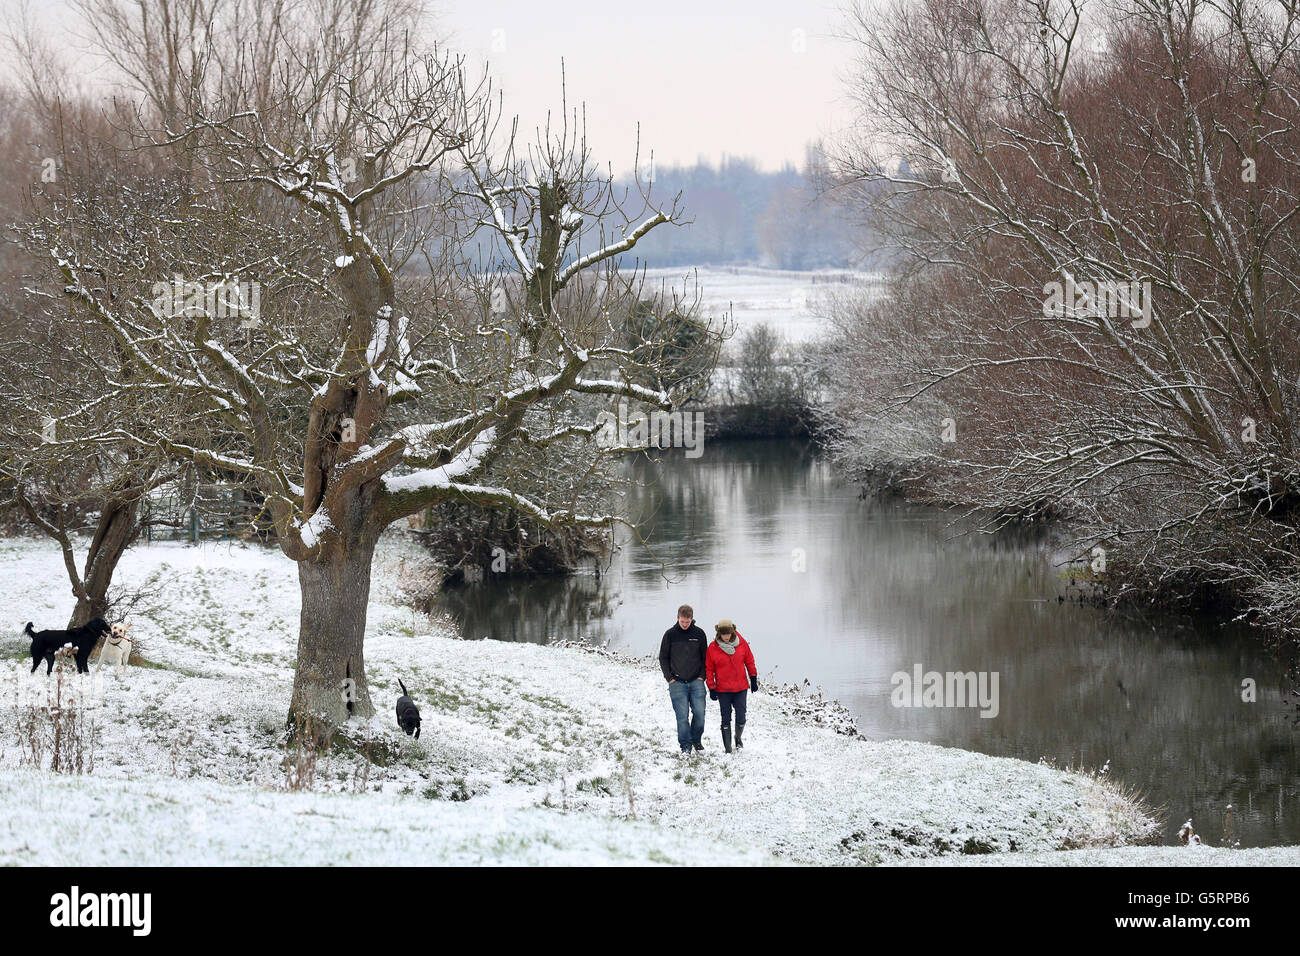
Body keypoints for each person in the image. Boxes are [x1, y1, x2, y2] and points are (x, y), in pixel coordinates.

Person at [659, 604, 708, 754]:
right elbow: (663, 657)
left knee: (700, 714)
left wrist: (702, 676)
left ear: (691, 619)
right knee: (682, 717)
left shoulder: (699, 634)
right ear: (678, 618)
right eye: (682, 621)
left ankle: (696, 740)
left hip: (696, 681)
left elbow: (705, 657)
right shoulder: (670, 634)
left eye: (687, 622)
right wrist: (669, 678)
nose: (685, 624)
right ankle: (685, 746)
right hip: (677, 682)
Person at [705, 618, 758, 753]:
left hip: (740, 688)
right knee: (725, 717)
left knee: (741, 716)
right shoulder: (713, 648)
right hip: (723, 690)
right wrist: (711, 687)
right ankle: (728, 748)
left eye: (728, 634)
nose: (726, 637)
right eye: (723, 634)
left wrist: (753, 678)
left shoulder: (741, 643)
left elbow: (749, 660)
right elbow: (709, 669)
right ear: (719, 634)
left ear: (732, 632)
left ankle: (738, 737)